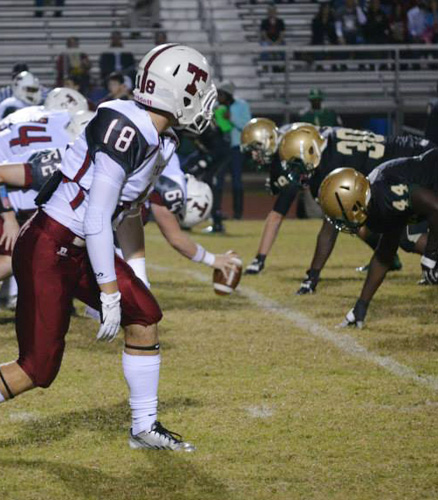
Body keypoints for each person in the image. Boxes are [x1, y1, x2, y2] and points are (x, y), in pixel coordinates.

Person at [0, 44, 236, 452]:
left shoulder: (161, 139)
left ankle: (143, 427)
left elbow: (127, 213)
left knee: (144, 316)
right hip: (49, 245)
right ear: (174, 92)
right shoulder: (125, 127)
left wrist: (135, 274)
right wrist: (109, 291)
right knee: (36, 369)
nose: (202, 100)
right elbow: (96, 216)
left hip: (81, 247)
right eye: (196, 90)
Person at [243, 122, 436, 281]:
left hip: (414, 159)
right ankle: (389, 259)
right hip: (408, 155)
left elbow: (329, 228)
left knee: (407, 236)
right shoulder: (318, 141)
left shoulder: (326, 165)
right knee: (363, 220)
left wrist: (312, 276)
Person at [318, 150, 438, 328]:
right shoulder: (374, 207)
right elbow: (385, 254)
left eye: (341, 215)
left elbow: (435, 207)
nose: (341, 223)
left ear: (354, 203)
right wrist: (361, 305)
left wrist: (430, 255)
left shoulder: (384, 193)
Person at [205, 80, 251, 233]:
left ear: (228, 95)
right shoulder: (216, 107)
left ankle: (238, 214)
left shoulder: (242, 105)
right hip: (222, 148)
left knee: (237, 180)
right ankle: (216, 212)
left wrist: (231, 118)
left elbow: (247, 126)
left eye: (221, 94)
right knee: (218, 180)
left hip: (237, 147)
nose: (219, 97)